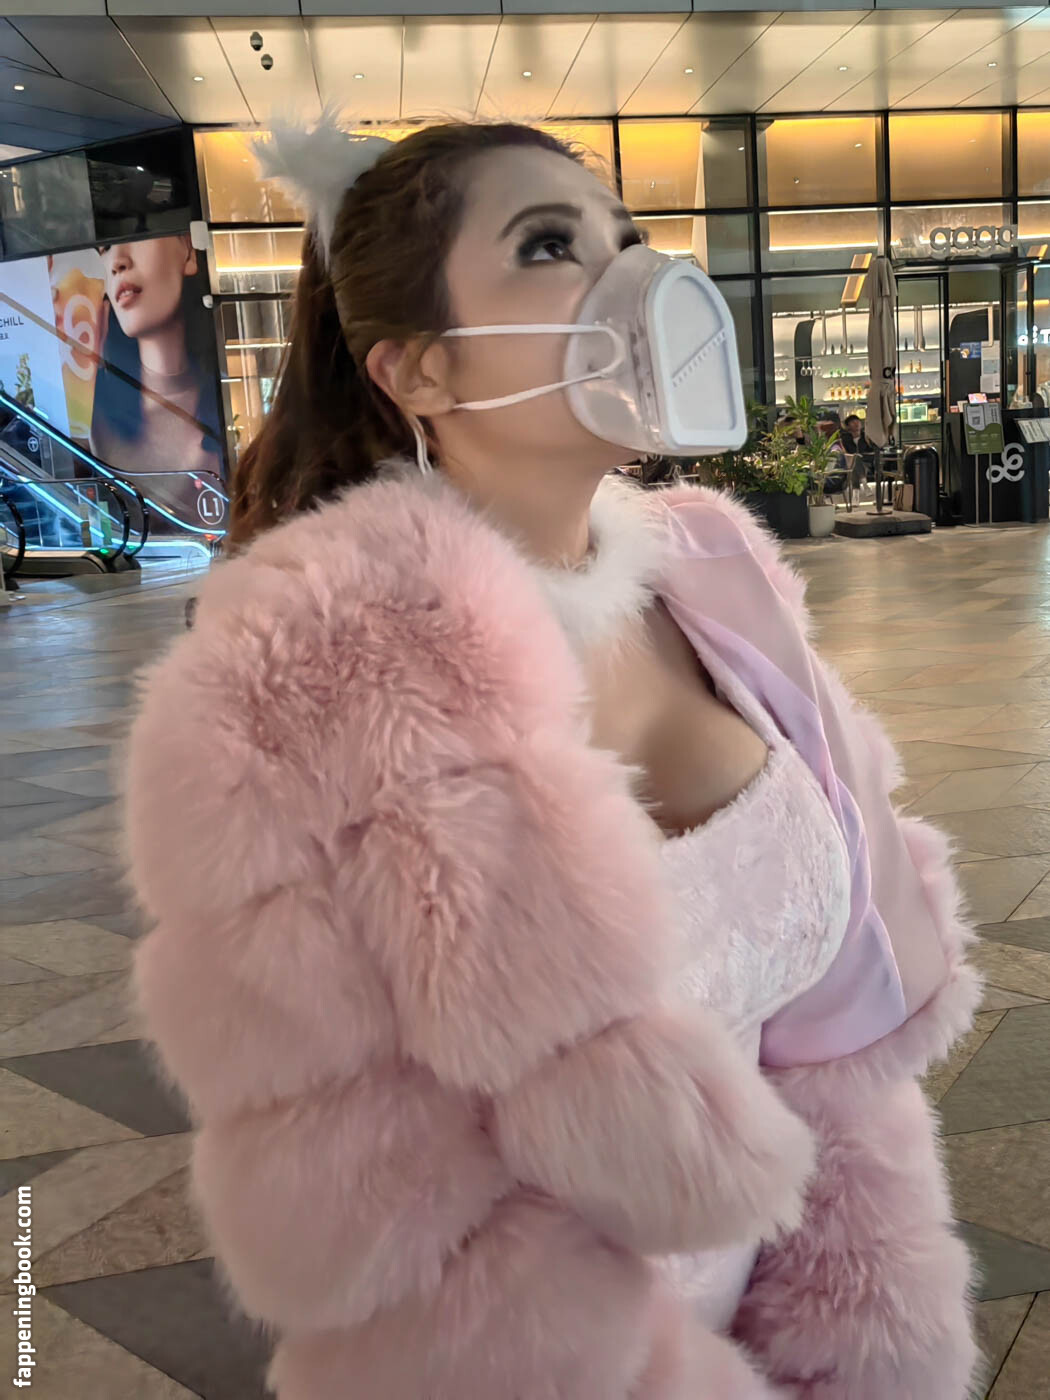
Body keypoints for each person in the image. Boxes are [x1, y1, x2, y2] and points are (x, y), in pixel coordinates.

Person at [124, 116, 979, 1400]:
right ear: (420, 370)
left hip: (803, 1287)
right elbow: (358, 1184)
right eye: (548, 245)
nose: (635, 281)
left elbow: (833, 1017)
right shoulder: (302, 686)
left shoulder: (717, 576)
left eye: (627, 239)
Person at [90, 235, 224, 529]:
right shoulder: (95, 423)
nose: (117, 262)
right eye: (105, 249)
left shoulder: (229, 395)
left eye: (136, 235)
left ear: (188, 251)